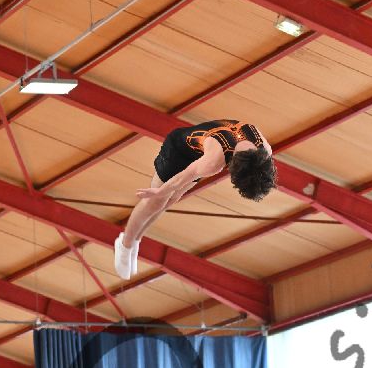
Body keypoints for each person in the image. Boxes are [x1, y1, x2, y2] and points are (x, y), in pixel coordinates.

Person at [114, 119, 277, 279]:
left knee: (171, 200)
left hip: (199, 155)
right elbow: (183, 177)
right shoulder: (214, 162)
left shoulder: (265, 150)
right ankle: (125, 244)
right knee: (156, 202)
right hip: (178, 150)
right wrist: (160, 191)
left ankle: (137, 239)